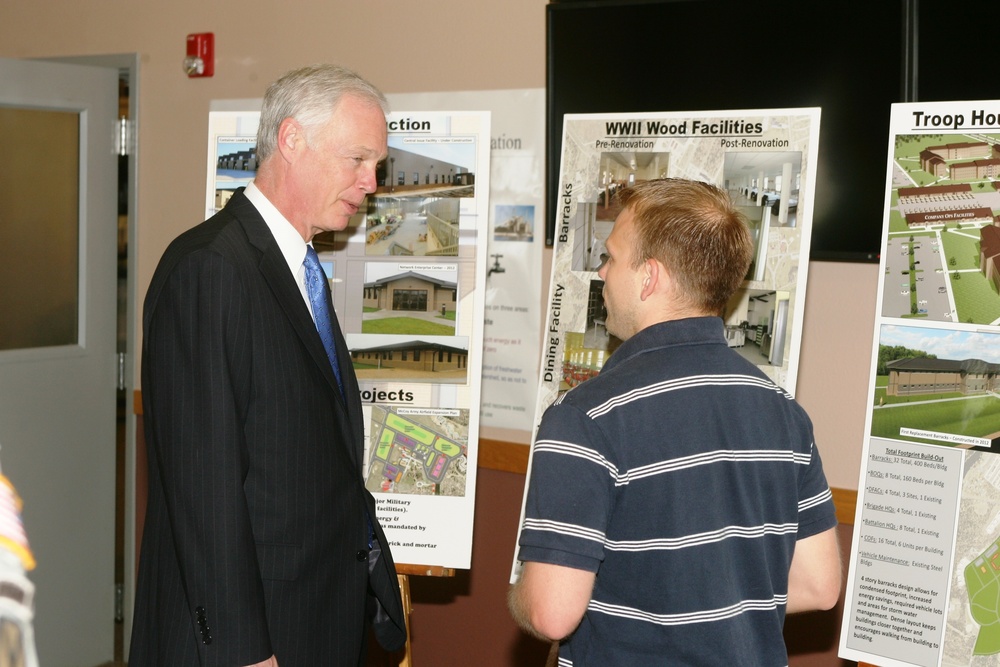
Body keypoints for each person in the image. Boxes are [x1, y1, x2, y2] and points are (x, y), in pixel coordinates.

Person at [130, 64, 406, 666]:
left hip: (314, 618)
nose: (371, 182)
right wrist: (244, 652)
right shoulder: (210, 269)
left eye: (377, 165)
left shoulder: (297, 267)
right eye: (358, 159)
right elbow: (204, 489)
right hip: (250, 639)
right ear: (291, 139)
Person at [509, 179, 841, 665]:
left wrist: (521, 594)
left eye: (611, 257)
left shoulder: (586, 417)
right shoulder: (783, 411)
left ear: (649, 277)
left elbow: (551, 614)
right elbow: (818, 585)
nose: (602, 272)